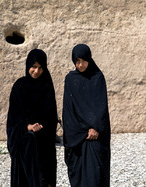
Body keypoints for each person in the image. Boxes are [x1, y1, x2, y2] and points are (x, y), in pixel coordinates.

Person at [6, 49, 58, 187]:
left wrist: (42, 126)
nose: (36, 71)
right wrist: (27, 126)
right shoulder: (19, 87)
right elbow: (13, 118)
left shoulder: (47, 85)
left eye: (40, 67)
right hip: (25, 143)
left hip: (44, 142)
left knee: (44, 178)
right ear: (28, 65)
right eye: (33, 67)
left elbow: (52, 114)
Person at [63, 44, 111, 187]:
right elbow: (68, 109)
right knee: (79, 176)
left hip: (95, 135)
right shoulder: (71, 79)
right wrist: (81, 130)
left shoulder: (97, 78)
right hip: (77, 135)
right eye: (77, 61)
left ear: (89, 59)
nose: (81, 64)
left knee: (96, 176)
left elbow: (101, 106)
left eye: (84, 60)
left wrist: (95, 127)